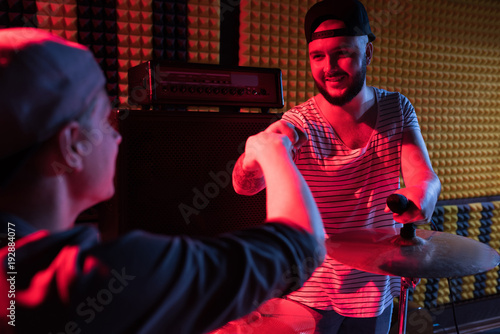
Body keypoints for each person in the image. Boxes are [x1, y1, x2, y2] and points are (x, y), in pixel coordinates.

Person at [0, 28, 325, 334]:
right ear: (72, 145)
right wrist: (271, 149)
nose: (117, 136)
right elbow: (301, 247)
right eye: (104, 118)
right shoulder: (97, 277)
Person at [232, 0, 441, 333]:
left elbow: (423, 177)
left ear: (368, 52)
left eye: (342, 52)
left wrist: (420, 198)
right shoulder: (298, 123)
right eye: (318, 56)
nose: (329, 67)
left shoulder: (397, 109)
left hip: (375, 287)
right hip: (307, 293)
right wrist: (257, 152)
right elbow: (245, 186)